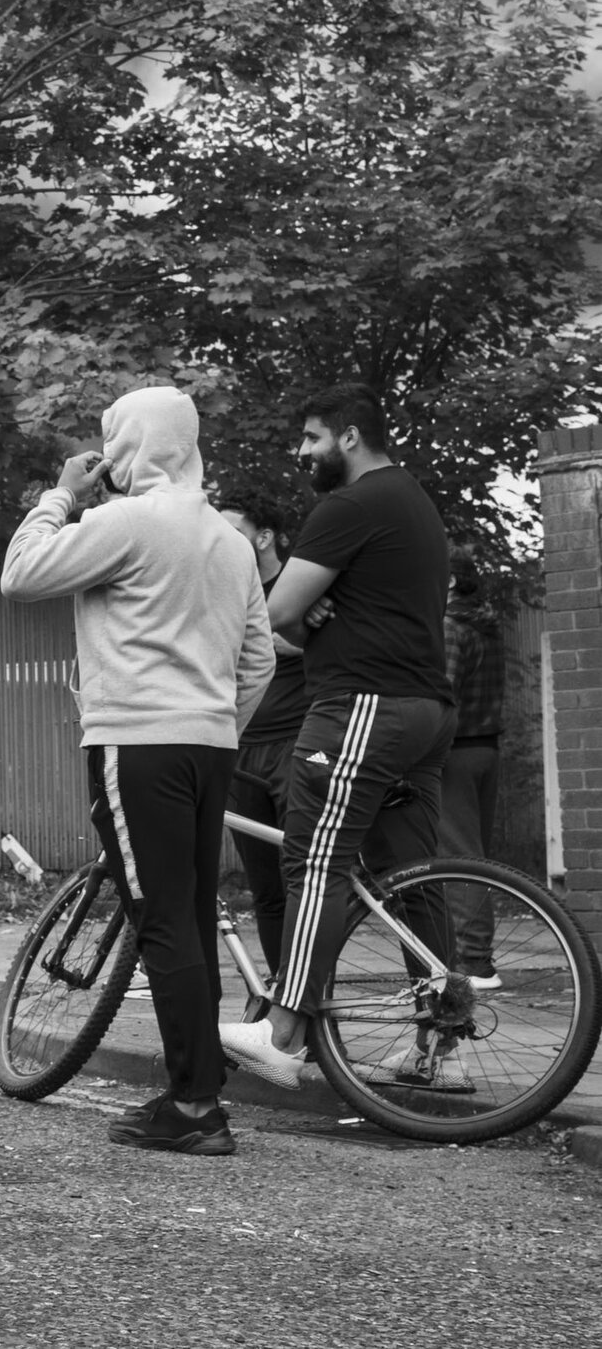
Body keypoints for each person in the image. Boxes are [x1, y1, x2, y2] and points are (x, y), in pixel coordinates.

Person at [1, 385, 272, 1156]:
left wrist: (61, 491)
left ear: (127, 447)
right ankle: (199, 1090)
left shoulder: (122, 523)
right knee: (186, 915)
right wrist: (215, 722)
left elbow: (20, 572)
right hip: (211, 745)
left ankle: (193, 1106)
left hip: (137, 743)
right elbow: (258, 661)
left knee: (160, 918)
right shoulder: (229, 541)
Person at [220, 383, 458, 1090]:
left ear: (350, 436)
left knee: (313, 861)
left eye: (313, 437)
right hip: (426, 713)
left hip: (362, 704)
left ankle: (282, 1030)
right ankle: (442, 1049)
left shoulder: (349, 505)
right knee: (417, 882)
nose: (302, 452)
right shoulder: (415, 502)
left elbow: (275, 614)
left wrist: (303, 611)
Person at [212, 490, 307, 976]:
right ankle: (280, 1003)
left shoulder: (303, 588)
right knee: (265, 890)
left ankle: (308, 1003)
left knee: (304, 886)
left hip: (297, 748)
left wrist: (300, 646)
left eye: (231, 532)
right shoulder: (222, 594)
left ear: (264, 538)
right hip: (240, 752)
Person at [441, 551, 507, 990]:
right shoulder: (486, 623)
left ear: (447, 581)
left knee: (459, 857)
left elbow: (441, 696)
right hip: (486, 750)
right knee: (474, 854)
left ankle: (475, 963)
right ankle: (476, 954)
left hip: (454, 754)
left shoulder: (448, 626)